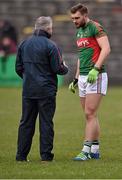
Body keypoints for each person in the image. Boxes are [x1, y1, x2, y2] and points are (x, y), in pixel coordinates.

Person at [15, 16, 68, 162]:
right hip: (46, 91)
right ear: (48, 28)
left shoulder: (24, 44)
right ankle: (45, 157)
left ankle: (21, 156)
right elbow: (58, 68)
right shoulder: (51, 46)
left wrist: (28, 79)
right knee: (46, 123)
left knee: (26, 123)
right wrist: (66, 68)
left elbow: (18, 68)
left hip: (28, 90)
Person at [69, 3, 111, 161]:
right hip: (84, 78)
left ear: (85, 15)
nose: (74, 21)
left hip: (96, 75)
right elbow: (81, 56)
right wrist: (76, 77)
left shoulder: (96, 27)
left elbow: (106, 48)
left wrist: (96, 68)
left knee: (90, 113)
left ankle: (85, 150)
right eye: (72, 18)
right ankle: (95, 149)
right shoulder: (79, 31)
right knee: (90, 115)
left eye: (77, 18)